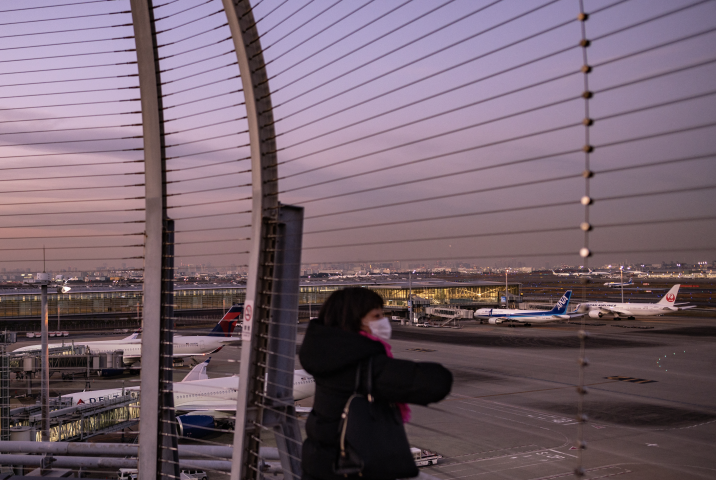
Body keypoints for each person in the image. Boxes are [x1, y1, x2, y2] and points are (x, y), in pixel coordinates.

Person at [299, 288, 453, 480]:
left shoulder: (327, 353)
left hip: (321, 463)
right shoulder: (359, 363)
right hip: (349, 468)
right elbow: (435, 383)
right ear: (356, 319)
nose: (383, 321)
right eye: (377, 316)